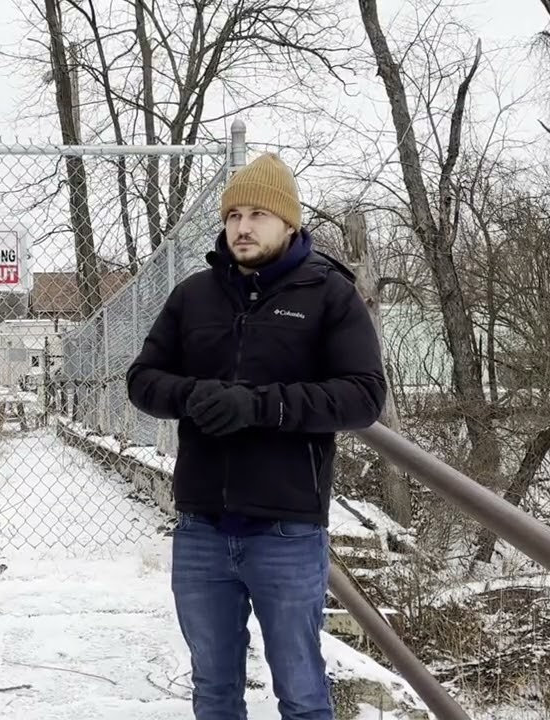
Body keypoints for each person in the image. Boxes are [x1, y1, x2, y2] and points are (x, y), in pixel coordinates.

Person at [126, 152, 386, 719]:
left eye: (258, 215)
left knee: (301, 691)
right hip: (201, 528)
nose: (242, 227)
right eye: (234, 215)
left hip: (287, 530)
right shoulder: (193, 295)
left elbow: (364, 395)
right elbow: (142, 381)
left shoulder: (329, 294)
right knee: (214, 690)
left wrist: (261, 407)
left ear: (289, 224)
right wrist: (195, 396)